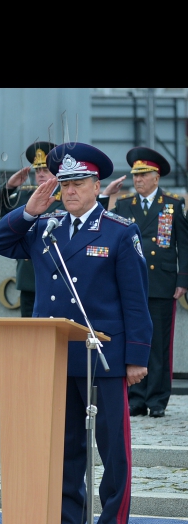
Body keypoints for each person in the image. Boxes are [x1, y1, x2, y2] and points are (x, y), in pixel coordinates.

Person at [0, 142, 153, 524]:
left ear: (97, 186)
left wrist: (136, 357)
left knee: (112, 444)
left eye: (79, 182)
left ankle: (112, 521)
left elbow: (136, 299)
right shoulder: (46, 227)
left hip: (103, 355)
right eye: (64, 183)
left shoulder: (119, 231)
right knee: (63, 444)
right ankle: (68, 519)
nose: (70, 191)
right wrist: (29, 211)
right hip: (54, 354)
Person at [101, 148, 188, 419]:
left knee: (160, 344)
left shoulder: (172, 204)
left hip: (161, 282)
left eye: (144, 175)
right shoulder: (125, 205)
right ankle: (135, 399)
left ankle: (158, 399)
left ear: (156, 177)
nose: (138, 180)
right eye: (136, 175)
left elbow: (183, 244)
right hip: (130, 283)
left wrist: (182, 278)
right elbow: (100, 223)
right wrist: (105, 195)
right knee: (132, 341)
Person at [0, 141, 64, 317]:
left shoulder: (68, 197)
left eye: (45, 170)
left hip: (58, 273)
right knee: (30, 334)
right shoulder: (25, 195)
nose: (40, 175)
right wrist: (10, 186)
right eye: (37, 171)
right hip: (29, 278)